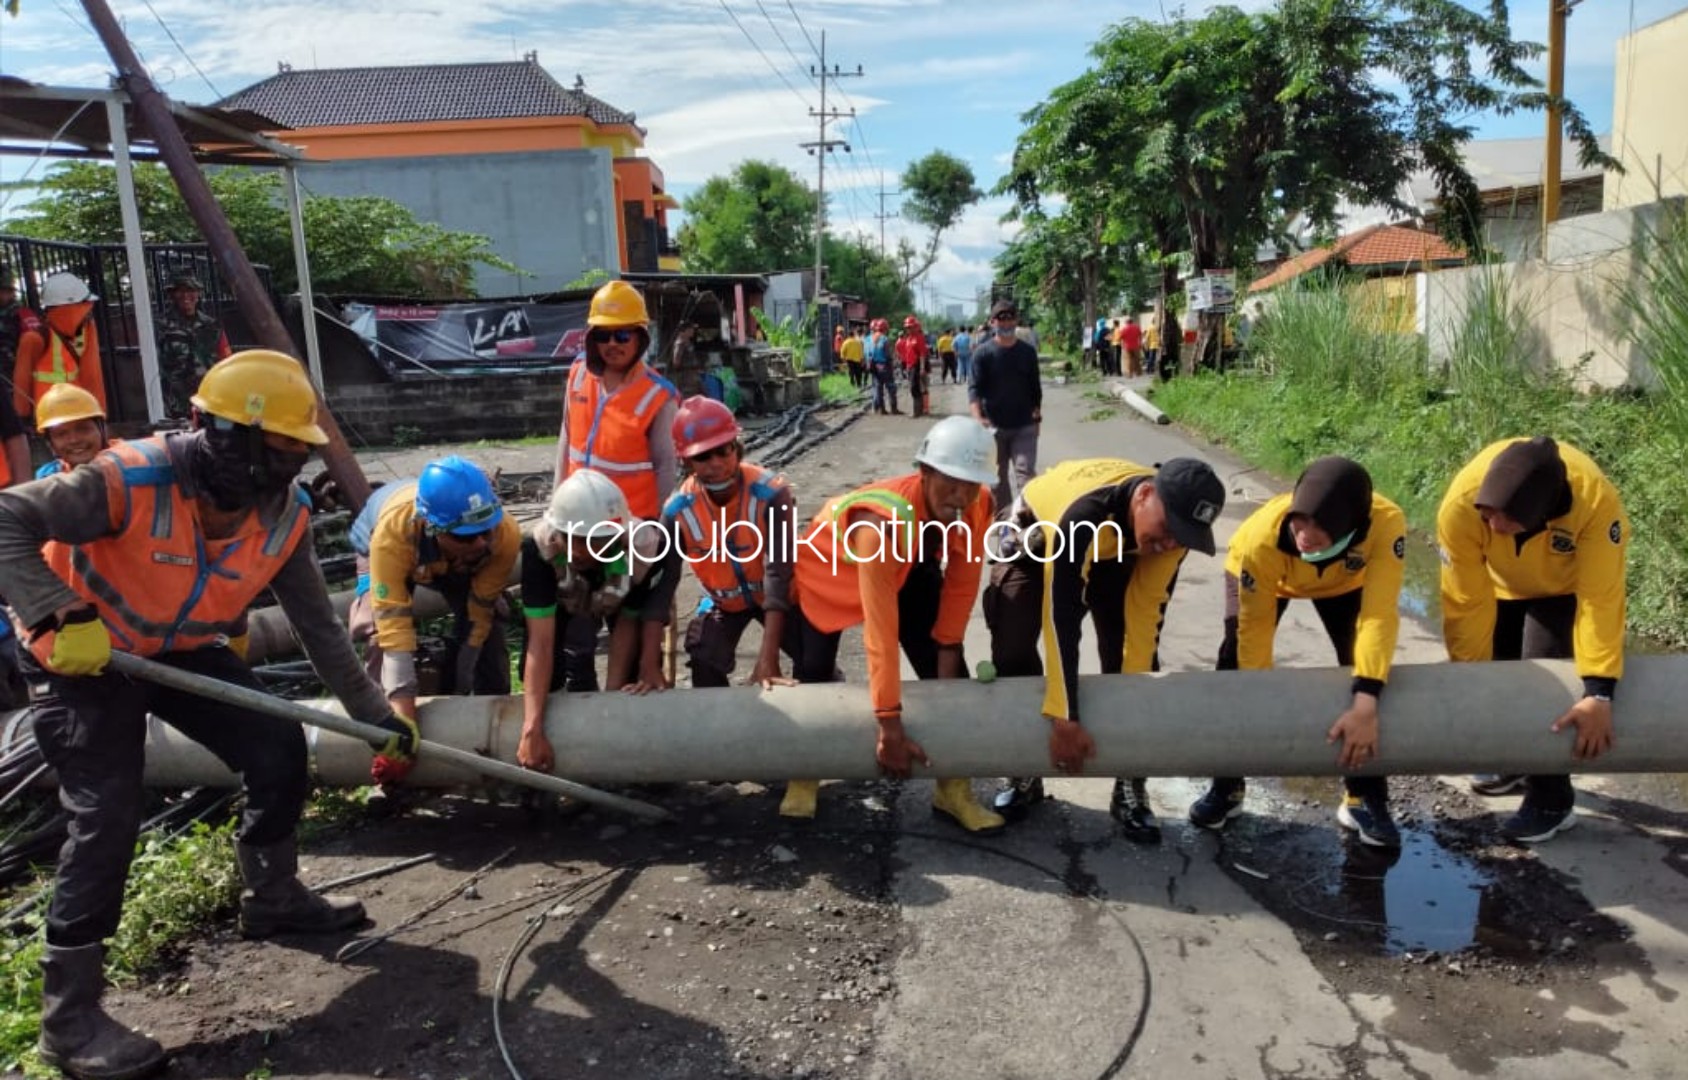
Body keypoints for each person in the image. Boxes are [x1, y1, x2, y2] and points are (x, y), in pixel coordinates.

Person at [0, 349, 414, 1080]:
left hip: (178, 649)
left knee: (277, 742)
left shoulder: (282, 518)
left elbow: (320, 630)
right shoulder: (126, 479)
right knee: (108, 810)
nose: (281, 470)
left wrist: (376, 715)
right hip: (86, 657)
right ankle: (68, 1020)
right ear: (221, 434)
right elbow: (5, 520)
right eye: (276, 449)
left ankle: (274, 894)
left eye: (296, 452)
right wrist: (58, 613)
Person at [987, 457, 1227, 844]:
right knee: (1012, 646)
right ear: (1145, 494)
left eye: (1181, 536)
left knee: (1130, 650)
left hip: (1115, 549)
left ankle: (1130, 781)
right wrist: (1065, 718)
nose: (1170, 543)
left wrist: (1132, 699)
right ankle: (1025, 772)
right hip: (1037, 536)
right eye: (1168, 528)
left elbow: (1146, 620)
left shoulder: (1172, 536)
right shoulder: (1083, 514)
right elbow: (1060, 615)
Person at [780, 416, 1003, 830]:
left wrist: (947, 664)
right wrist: (889, 725)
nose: (960, 496)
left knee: (944, 663)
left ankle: (952, 789)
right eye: (950, 482)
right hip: (828, 572)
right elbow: (880, 633)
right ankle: (805, 770)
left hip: (909, 565)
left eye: (970, 485)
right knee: (813, 672)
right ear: (924, 471)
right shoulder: (879, 525)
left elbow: (960, 589)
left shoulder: (977, 506)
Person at [1188, 457, 1407, 847]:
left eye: (1321, 526)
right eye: (1300, 520)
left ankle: (1365, 795)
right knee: (1234, 662)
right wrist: (1259, 699)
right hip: (1265, 577)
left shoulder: (1386, 523)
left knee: (1364, 668)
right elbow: (1254, 629)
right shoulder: (1262, 537)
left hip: (1344, 582)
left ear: (1352, 524)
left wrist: (1366, 700)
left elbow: (1378, 617)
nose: (1306, 534)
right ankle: (1227, 786)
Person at [1438, 436, 1627, 843]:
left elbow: (1601, 599)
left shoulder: (1593, 503)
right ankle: (1512, 762)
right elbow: (1464, 599)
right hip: (1495, 582)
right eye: (1488, 516)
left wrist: (1599, 692)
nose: (1493, 526)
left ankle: (1551, 800)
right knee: (1499, 675)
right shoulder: (1464, 504)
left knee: (1550, 687)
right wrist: (1468, 675)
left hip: (1564, 588)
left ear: (1543, 514)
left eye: (1505, 519)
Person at [347, 456, 520, 771]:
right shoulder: (393, 535)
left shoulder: (503, 536)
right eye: (467, 535)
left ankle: (494, 720)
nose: (481, 541)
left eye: (486, 529)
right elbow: (394, 633)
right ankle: (378, 734)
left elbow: (477, 620)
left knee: (490, 621)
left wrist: (460, 690)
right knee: (375, 632)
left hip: (454, 563)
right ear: (433, 526)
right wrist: (403, 729)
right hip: (388, 541)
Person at [554, 279, 679, 693]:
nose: (613, 344)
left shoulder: (658, 396)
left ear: (641, 337)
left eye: (623, 334)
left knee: (626, 615)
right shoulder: (576, 378)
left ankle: (625, 714)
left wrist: (657, 531)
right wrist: (556, 510)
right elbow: (566, 441)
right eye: (603, 335)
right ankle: (582, 709)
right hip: (578, 533)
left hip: (627, 535)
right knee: (576, 630)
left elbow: (665, 467)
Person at [516, 468, 681, 772]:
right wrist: (532, 726)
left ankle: (637, 760)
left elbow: (628, 623)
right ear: (559, 534)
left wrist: (611, 703)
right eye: (574, 540)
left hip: (615, 595)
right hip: (565, 597)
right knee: (547, 678)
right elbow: (540, 642)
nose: (582, 551)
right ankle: (542, 745)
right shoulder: (540, 550)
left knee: (635, 683)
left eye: (595, 541)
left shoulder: (643, 548)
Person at [662, 396, 797, 690]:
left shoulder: (771, 493)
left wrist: (768, 658)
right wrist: (650, 664)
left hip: (779, 597)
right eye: (704, 456)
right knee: (703, 657)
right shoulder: (678, 511)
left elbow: (778, 571)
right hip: (724, 602)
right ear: (686, 461)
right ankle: (723, 730)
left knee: (815, 658)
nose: (717, 463)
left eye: (725, 450)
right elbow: (664, 583)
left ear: (736, 447)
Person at [968, 299, 1042, 511]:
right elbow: (974, 389)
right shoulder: (982, 354)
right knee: (997, 479)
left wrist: (1037, 417)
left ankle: (1026, 519)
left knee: (1026, 473)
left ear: (1016, 321)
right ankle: (1004, 523)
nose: (1006, 323)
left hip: (1024, 426)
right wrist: (978, 418)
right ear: (992, 323)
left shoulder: (1027, 352)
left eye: (1010, 318)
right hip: (993, 427)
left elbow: (1035, 389)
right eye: (1001, 319)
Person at [12, 272, 107, 423]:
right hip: (51, 417)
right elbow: (21, 387)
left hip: (77, 412)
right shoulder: (35, 339)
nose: (89, 309)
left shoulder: (87, 328)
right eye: (85, 305)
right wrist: (22, 420)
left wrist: (99, 414)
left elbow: (93, 375)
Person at [156, 273, 232, 419]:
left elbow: (226, 360)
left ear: (198, 294)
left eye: (191, 291)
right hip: (175, 403)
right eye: (181, 291)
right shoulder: (161, 326)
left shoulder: (212, 326)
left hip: (208, 399)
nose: (186, 296)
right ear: (173, 294)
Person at [33, 384, 112, 477]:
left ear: (102, 430)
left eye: (83, 429)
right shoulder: (47, 477)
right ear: (50, 443)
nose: (74, 440)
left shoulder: (128, 464)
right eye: (61, 434)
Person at [898, 315, 931, 418]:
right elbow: (907, 353)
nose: (909, 329)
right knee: (914, 388)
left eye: (911, 327)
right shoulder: (908, 339)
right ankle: (918, 410)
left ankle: (917, 411)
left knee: (914, 388)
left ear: (916, 327)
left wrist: (922, 368)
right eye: (907, 327)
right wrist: (906, 367)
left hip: (917, 365)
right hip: (910, 366)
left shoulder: (919, 338)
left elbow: (922, 354)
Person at [867, 317, 899, 415]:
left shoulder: (870, 339)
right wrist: (893, 362)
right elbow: (888, 354)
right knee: (891, 387)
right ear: (885, 328)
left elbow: (868, 354)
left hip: (874, 366)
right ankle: (893, 409)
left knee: (878, 388)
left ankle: (881, 409)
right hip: (885, 366)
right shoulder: (885, 339)